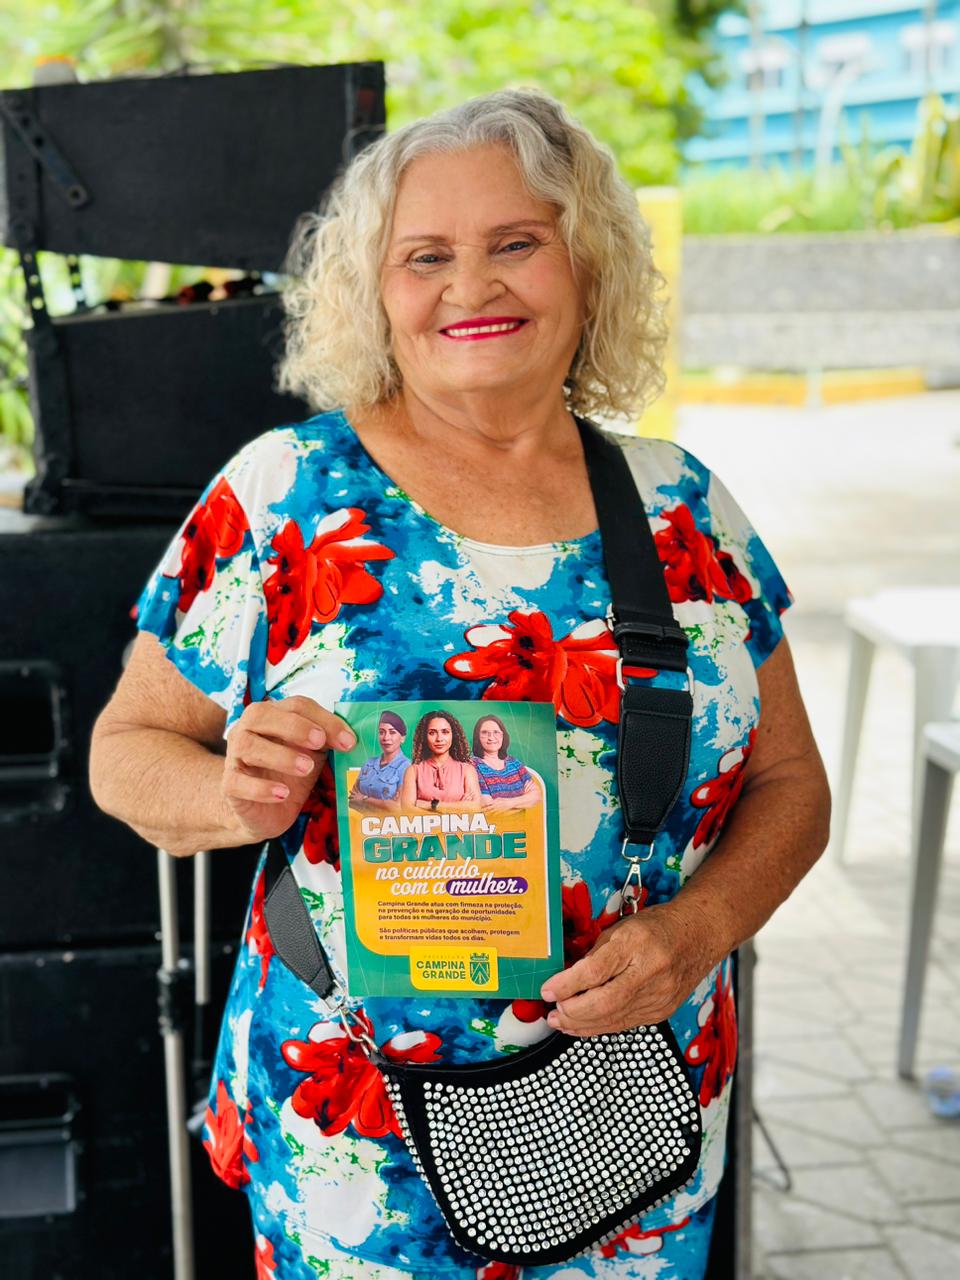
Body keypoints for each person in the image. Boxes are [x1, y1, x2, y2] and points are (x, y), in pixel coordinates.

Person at [89, 88, 830, 1280]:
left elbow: (794, 782)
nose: (470, 285)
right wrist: (234, 792)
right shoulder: (283, 494)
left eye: (516, 243)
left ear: (587, 265)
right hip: (354, 1136)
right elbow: (125, 749)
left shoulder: (684, 504)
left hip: (630, 1127)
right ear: (374, 293)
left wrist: (701, 930)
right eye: (425, 255)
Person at [400, 709, 482, 810]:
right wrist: (460, 807)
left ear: (453, 735)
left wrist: (432, 805)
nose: (439, 739)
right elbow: (408, 811)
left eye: (445, 732)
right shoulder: (413, 771)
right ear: (424, 737)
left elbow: (475, 808)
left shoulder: (467, 770)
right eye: (432, 733)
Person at [471, 713, 540, 811]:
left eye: (496, 732)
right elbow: (488, 805)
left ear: (503, 736)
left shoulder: (514, 763)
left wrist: (508, 803)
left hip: (523, 821)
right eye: (485, 733)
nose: (491, 737)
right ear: (477, 737)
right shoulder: (473, 765)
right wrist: (524, 798)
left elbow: (536, 795)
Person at [348, 710, 410, 812]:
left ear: (402, 738)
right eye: (381, 732)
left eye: (392, 732)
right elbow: (352, 800)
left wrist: (364, 798)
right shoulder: (369, 763)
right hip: (363, 821)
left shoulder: (406, 767)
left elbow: (398, 808)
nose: (386, 737)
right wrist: (384, 804)